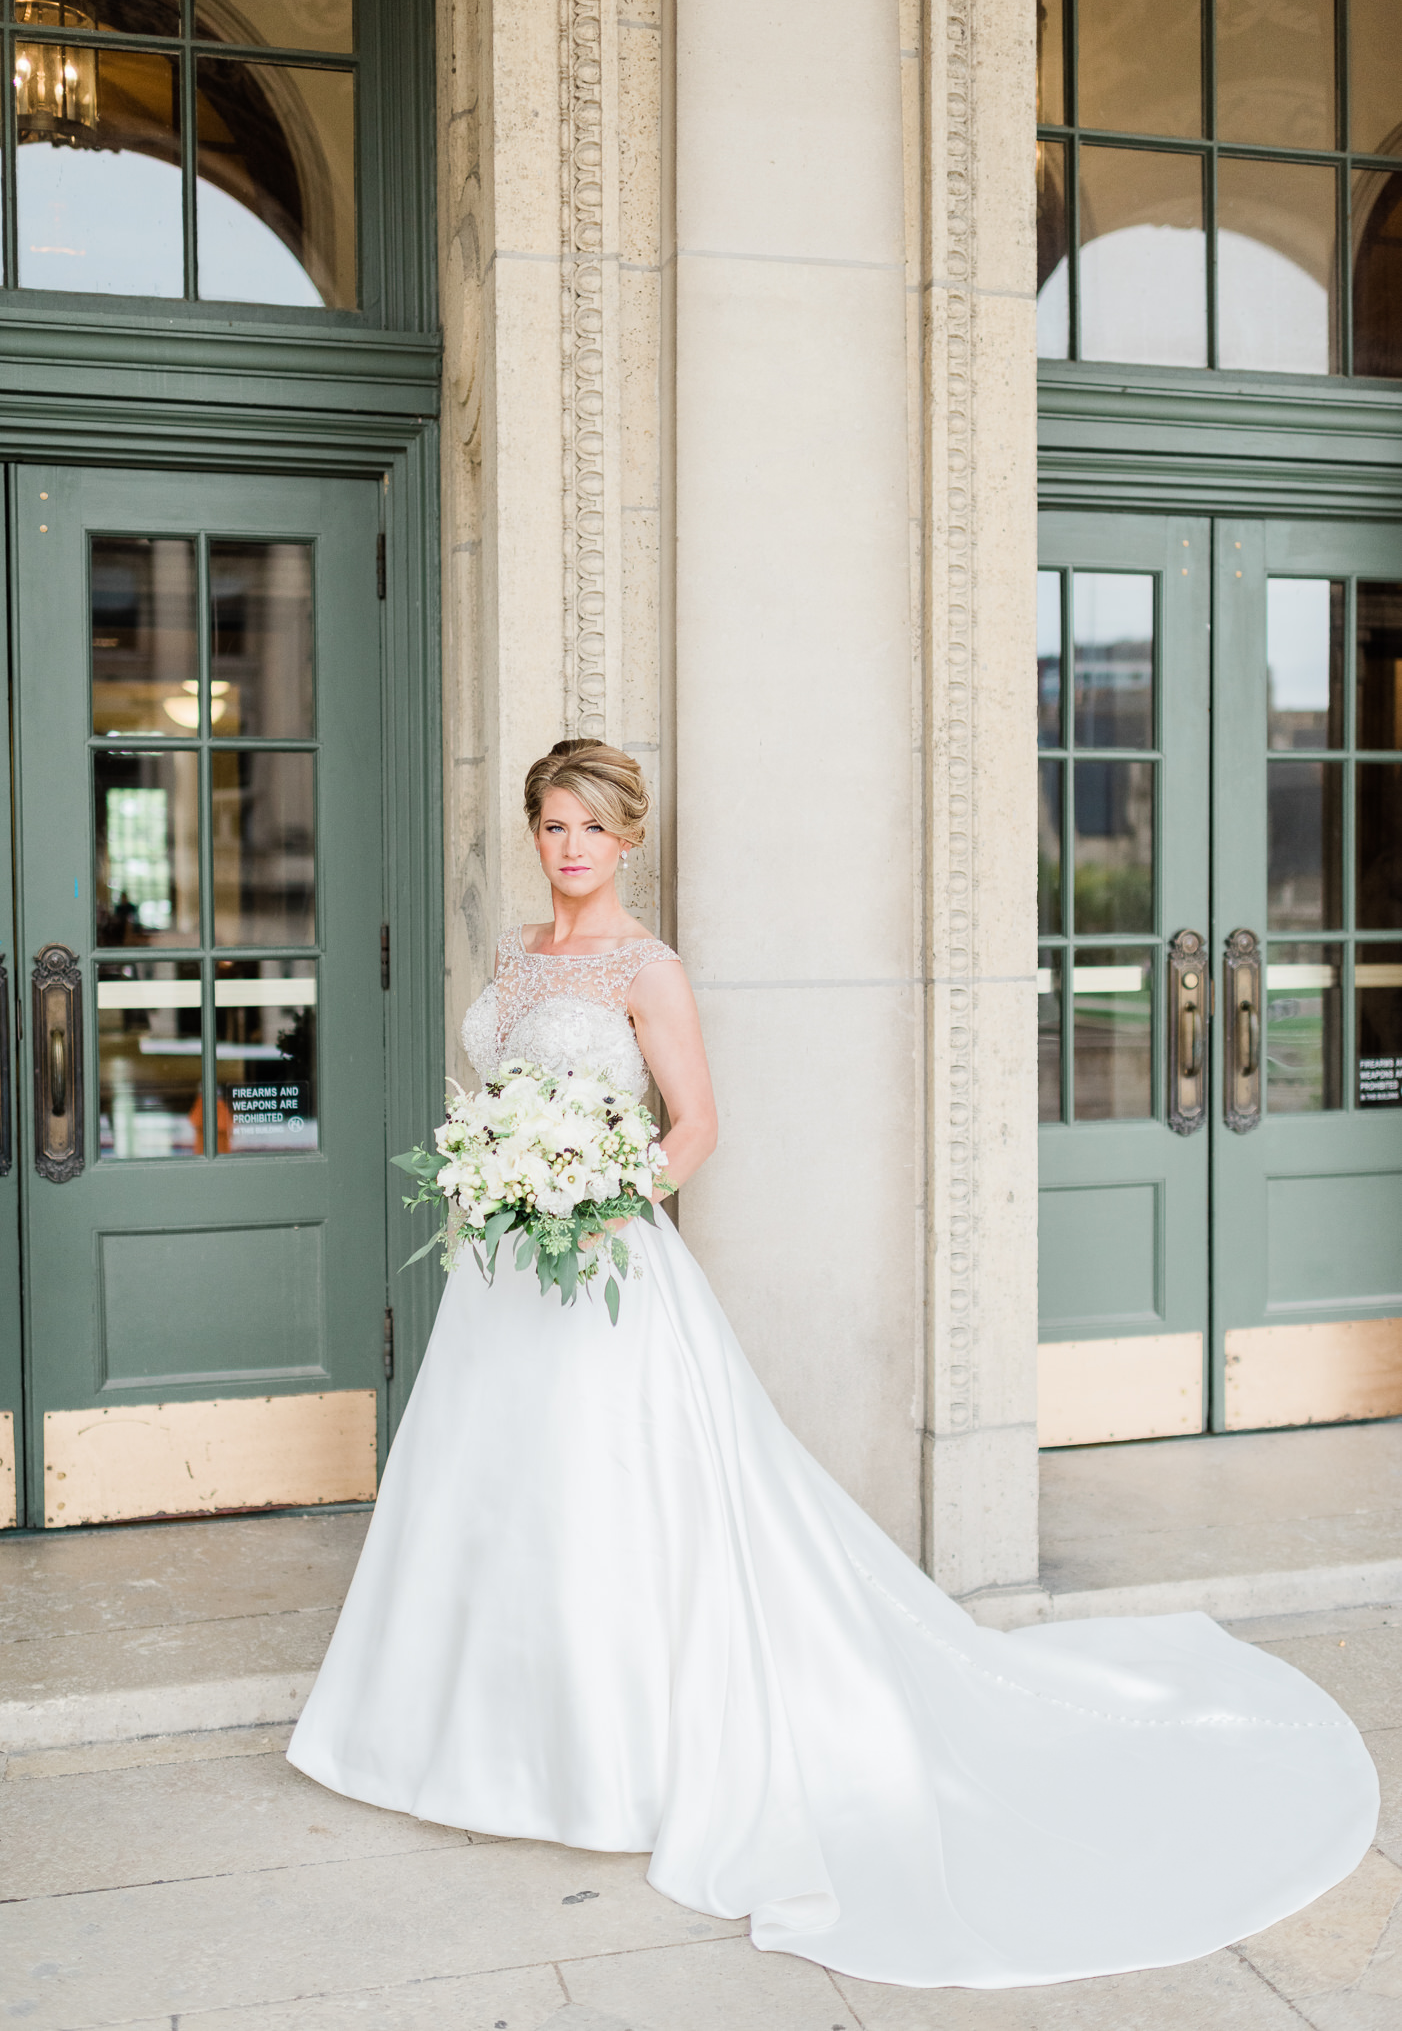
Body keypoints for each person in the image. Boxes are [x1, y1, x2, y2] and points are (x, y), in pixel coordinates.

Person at [288, 739, 1378, 1990]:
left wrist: (590, 1193)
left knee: (606, 1504)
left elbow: (695, 1126)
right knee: (489, 1503)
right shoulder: (513, 959)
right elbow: (496, 1099)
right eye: (550, 826)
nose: (569, 847)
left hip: (597, 1267)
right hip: (499, 1279)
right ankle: (465, 1739)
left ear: (627, 840)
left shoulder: (650, 969)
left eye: (590, 827)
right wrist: (500, 1177)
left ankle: (609, 1757)